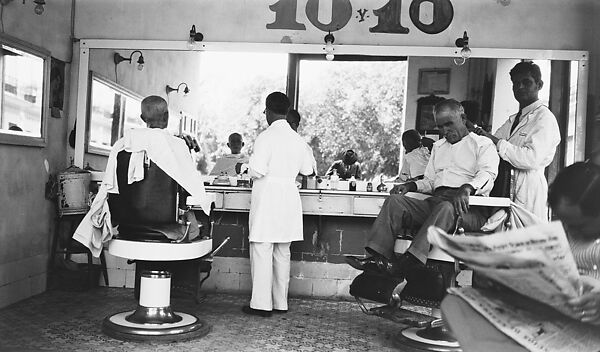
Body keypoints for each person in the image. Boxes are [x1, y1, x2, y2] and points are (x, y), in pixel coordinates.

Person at [441, 161, 600, 350]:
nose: (569, 232)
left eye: (578, 226)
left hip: (587, 328)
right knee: (456, 304)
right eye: (564, 223)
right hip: (551, 319)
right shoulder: (563, 235)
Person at [345, 99, 499, 278]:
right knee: (395, 201)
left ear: (463, 118)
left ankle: (408, 263)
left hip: (468, 208)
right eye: (440, 127)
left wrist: (467, 188)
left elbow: (488, 174)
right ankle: (378, 258)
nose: (445, 131)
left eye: (449, 124)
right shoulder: (439, 147)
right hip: (437, 203)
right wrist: (410, 185)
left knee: (445, 207)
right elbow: (430, 182)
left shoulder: (482, 144)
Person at [73, 96, 212, 256]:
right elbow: (190, 188)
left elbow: (111, 188)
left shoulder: (123, 146)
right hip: (169, 229)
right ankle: (177, 277)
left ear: (142, 118)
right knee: (197, 228)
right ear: (167, 116)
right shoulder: (176, 146)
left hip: (127, 226)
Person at [237, 92, 316, 317]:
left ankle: (261, 304)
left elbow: (258, 170)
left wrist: (246, 168)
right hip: (289, 195)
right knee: (283, 251)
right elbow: (308, 170)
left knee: (262, 249)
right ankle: (280, 302)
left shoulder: (266, 137)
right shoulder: (297, 139)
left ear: (268, 110)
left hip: (269, 194)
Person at [474, 61, 561, 221]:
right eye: (516, 83)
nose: (520, 87)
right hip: (506, 186)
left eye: (526, 82)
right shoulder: (513, 120)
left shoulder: (544, 118)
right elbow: (489, 146)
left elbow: (531, 159)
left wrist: (497, 142)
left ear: (539, 85)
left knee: (525, 240)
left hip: (528, 189)